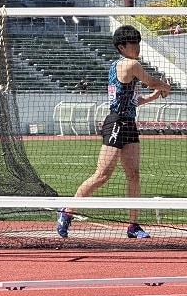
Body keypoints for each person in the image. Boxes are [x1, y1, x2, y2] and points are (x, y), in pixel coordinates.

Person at [57, 25, 170, 239]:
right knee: (102, 174)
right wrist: (165, 87)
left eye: (138, 43)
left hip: (129, 123)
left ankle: (133, 225)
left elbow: (132, 100)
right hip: (116, 123)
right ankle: (67, 211)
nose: (137, 47)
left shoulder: (126, 66)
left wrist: (154, 96)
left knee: (133, 174)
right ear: (121, 47)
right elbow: (151, 81)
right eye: (133, 43)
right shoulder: (130, 64)